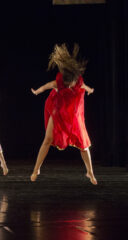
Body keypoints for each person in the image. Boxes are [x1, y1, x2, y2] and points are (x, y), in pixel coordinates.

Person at [30, 43, 97, 185]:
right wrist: (37, 91)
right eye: (67, 84)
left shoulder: (78, 81)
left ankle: (90, 172)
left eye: (71, 83)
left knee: (83, 144)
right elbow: (46, 86)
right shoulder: (59, 81)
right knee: (47, 139)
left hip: (74, 113)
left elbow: (84, 87)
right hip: (59, 110)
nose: (69, 86)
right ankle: (36, 169)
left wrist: (90, 90)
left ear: (74, 78)